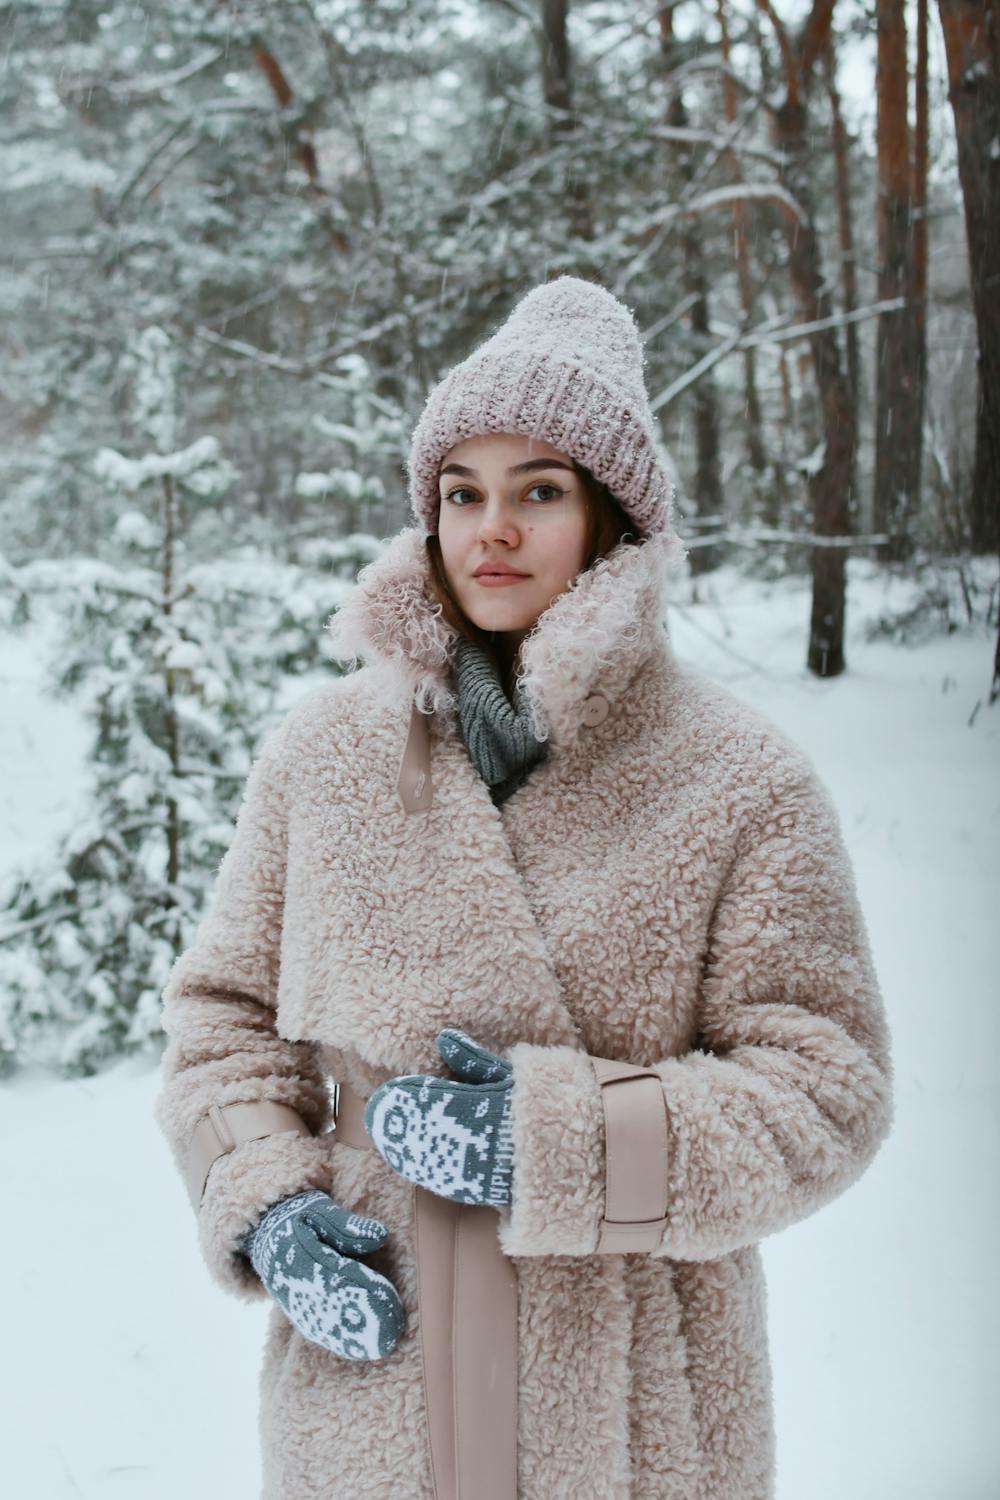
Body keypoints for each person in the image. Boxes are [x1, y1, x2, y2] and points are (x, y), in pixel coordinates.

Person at [154, 276, 894, 1500]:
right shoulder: (326, 754)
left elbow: (826, 1087)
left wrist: (567, 1145)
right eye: (463, 493)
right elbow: (222, 1019)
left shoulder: (737, 778)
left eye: (537, 492)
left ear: (612, 520)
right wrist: (271, 1204)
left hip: (635, 1415)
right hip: (370, 1404)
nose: (490, 529)